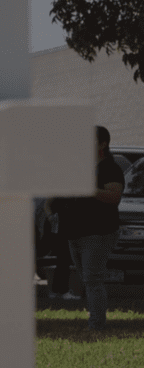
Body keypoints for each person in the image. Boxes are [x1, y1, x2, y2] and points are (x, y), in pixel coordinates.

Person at [54, 125, 125, 330]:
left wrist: (89, 188)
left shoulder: (110, 168)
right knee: (87, 280)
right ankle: (95, 320)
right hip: (75, 232)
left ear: (103, 144)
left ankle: (96, 325)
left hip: (98, 233)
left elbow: (113, 197)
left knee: (93, 279)